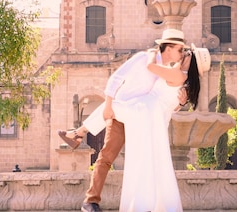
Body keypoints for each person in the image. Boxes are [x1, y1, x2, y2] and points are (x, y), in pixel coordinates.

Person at [58, 29, 188, 212]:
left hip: (144, 121)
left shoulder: (167, 72)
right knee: (107, 157)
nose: (182, 54)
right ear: (169, 48)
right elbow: (115, 78)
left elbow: (165, 103)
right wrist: (109, 105)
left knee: (146, 162)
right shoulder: (143, 58)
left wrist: (181, 103)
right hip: (123, 114)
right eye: (180, 49)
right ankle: (90, 201)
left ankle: (78, 134)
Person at [112, 45, 207, 212]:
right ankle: (152, 204)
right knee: (152, 162)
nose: (184, 53)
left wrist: (153, 53)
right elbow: (173, 106)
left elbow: (150, 67)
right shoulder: (183, 79)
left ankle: (80, 131)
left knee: (112, 106)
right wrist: (182, 103)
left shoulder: (177, 75)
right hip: (154, 118)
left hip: (146, 113)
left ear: (192, 62)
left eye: (188, 53)